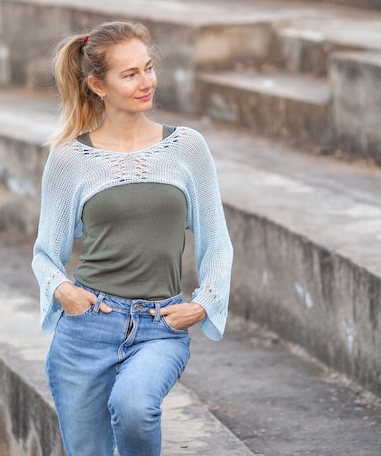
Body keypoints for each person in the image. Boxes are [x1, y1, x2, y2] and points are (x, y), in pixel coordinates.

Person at [31, 21, 233, 456]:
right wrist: (64, 291)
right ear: (97, 85)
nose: (147, 82)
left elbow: (217, 239)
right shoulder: (70, 159)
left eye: (148, 68)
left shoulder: (186, 148)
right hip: (86, 329)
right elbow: (47, 253)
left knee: (136, 407)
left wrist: (203, 303)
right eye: (131, 74)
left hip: (159, 326)